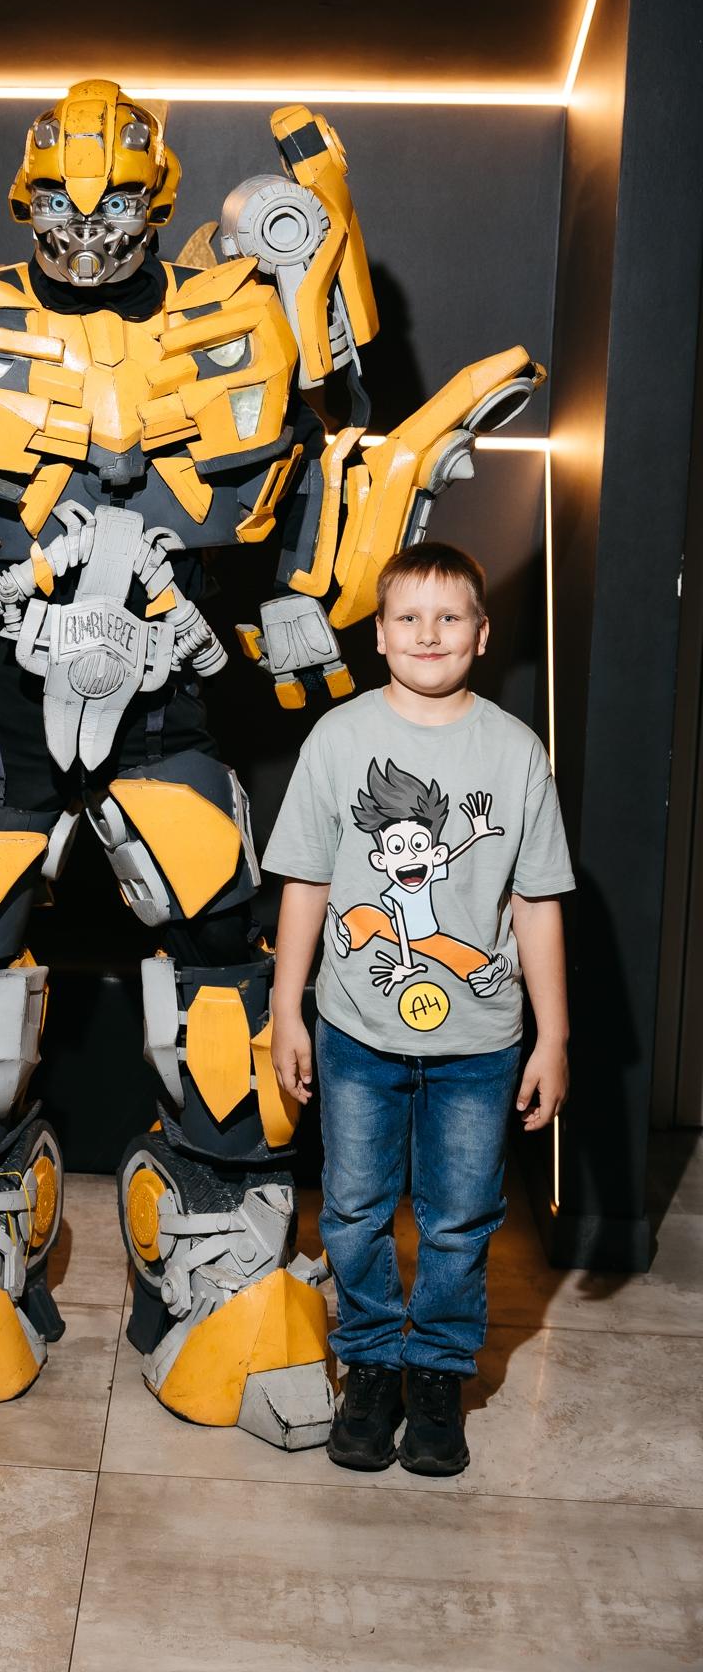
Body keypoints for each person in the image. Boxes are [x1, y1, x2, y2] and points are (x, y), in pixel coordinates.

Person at [264, 540, 573, 1476]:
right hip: (356, 1033)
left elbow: (538, 903)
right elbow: (307, 882)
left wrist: (554, 1036)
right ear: (379, 633)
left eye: (448, 618)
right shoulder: (337, 739)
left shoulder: (516, 752)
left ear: (481, 634)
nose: (428, 633)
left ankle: (436, 1373)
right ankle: (369, 1366)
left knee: (460, 1217)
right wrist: (287, 1010)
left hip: (481, 1044)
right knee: (354, 1210)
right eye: (408, 616)